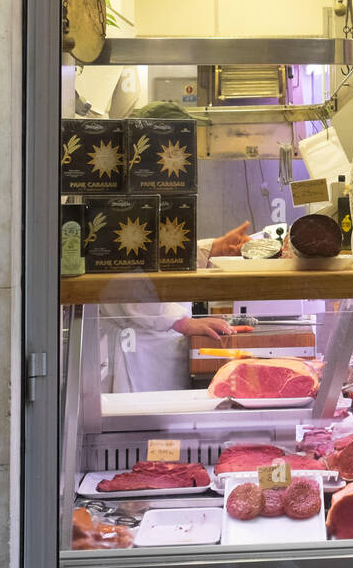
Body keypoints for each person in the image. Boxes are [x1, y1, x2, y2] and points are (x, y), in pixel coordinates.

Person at [98, 101, 254, 392]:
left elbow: (157, 257)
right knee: (139, 431)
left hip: (159, 346)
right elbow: (124, 280)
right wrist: (179, 321)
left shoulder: (160, 188)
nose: (186, 155)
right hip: (136, 355)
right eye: (179, 144)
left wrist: (210, 251)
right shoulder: (122, 194)